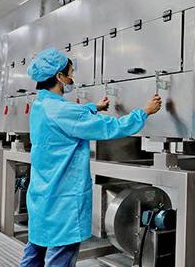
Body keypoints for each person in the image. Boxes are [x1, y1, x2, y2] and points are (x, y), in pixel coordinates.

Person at [19, 47, 162, 267]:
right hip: (63, 198)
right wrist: (144, 112)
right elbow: (111, 127)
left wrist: (92, 108)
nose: (72, 78)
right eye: (70, 73)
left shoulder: (41, 105)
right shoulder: (64, 111)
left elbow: (67, 116)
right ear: (59, 76)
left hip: (42, 193)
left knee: (35, 250)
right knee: (61, 255)